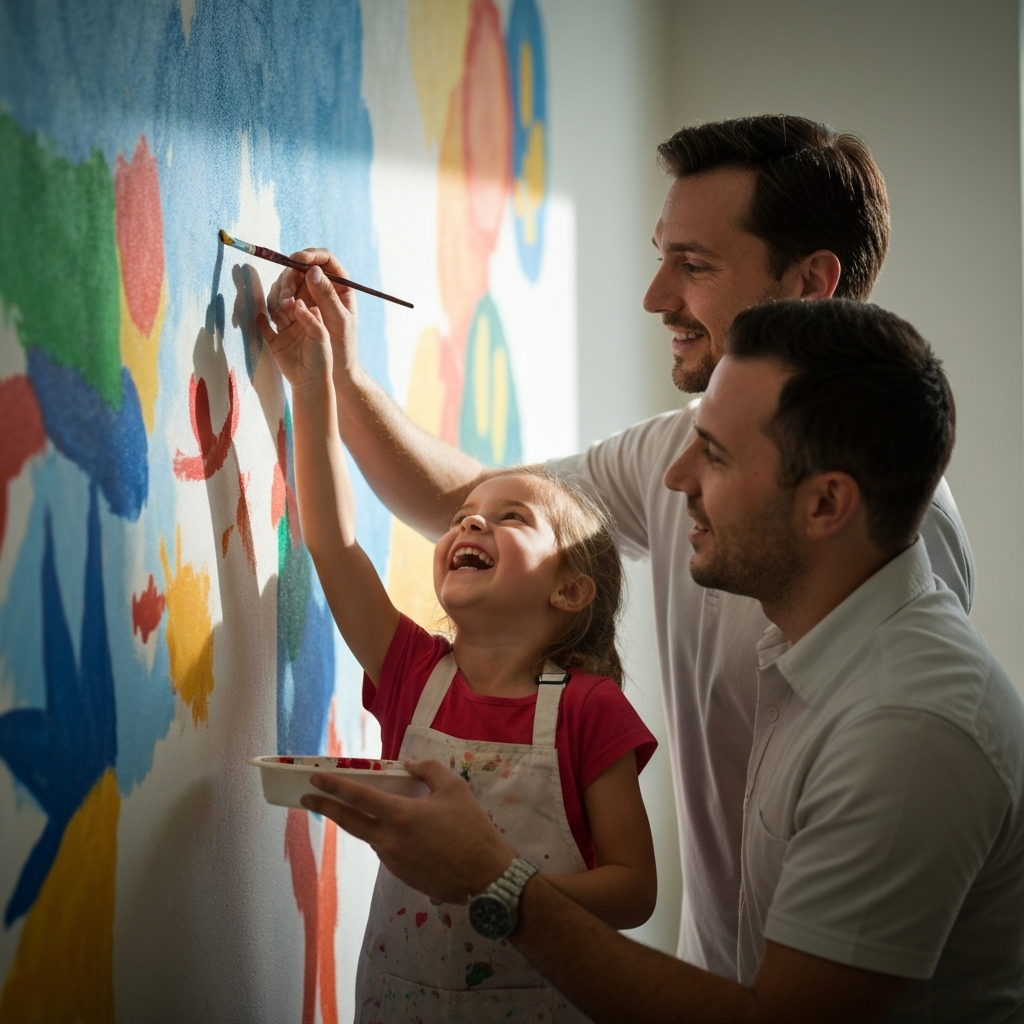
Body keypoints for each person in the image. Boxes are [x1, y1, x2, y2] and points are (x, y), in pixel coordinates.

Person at [265, 114, 975, 977]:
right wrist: (334, 370)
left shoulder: (899, 574)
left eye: (695, 265)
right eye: (661, 253)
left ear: (810, 282)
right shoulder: (672, 451)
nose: (655, 295)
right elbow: (470, 500)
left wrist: (497, 881)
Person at [303, 299, 1024, 1024]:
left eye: (713, 453)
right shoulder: (811, 655)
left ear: (825, 504)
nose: (675, 478)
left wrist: (493, 882)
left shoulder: (908, 728)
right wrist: (328, 377)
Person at [258, 285, 658, 1021]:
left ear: (570, 590)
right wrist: (311, 386)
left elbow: (634, 891)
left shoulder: (591, 710)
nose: (473, 520)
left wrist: (497, 889)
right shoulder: (413, 671)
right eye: (467, 514)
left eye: (511, 517)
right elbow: (332, 543)